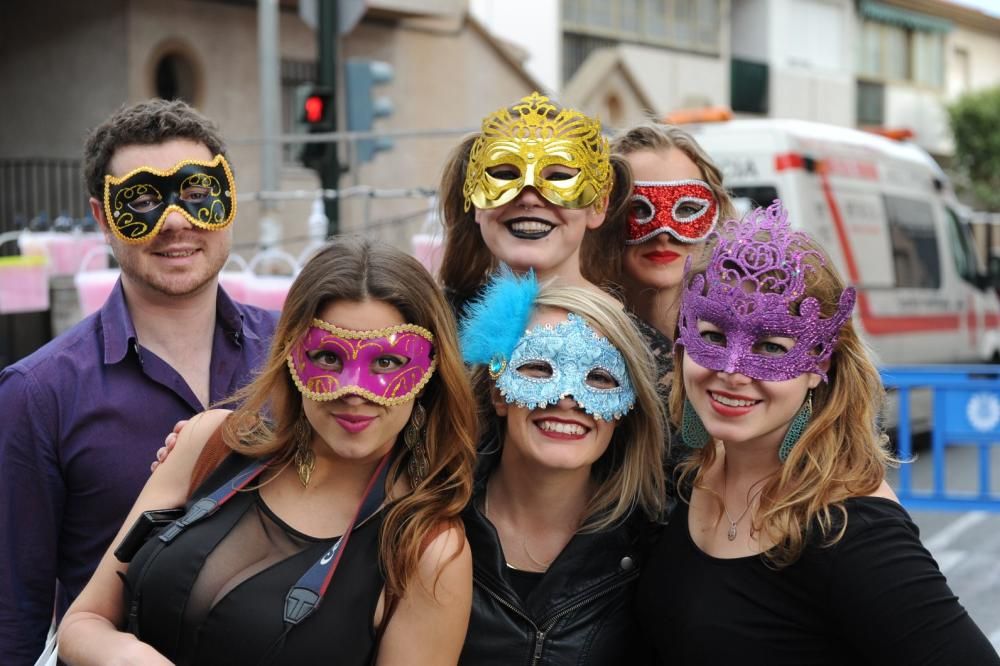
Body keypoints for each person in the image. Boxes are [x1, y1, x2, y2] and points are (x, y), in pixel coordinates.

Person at [59, 238, 478, 665]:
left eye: (387, 363)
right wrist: (127, 656)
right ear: (293, 355)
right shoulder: (211, 444)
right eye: (328, 357)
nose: (353, 390)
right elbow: (83, 621)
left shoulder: (426, 552)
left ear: (430, 371)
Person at [637, 200, 1000, 665]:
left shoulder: (850, 529)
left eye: (770, 345)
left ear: (817, 364)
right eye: (712, 336)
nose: (731, 369)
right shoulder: (689, 477)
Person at [0, 99, 278, 664]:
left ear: (228, 201)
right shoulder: (37, 393)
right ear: (102, 218)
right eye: (143, 201)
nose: (175, 221)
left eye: (197, 192)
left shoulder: (298, 355)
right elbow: (14, 612)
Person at [457, 270, 666, 665]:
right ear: (497, 392)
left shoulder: (655, 550)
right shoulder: (431, 525)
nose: (568, 397)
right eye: (538, 368)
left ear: (624, 411)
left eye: (600, 377)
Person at [437, 91, 633, 313]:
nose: (529, 198)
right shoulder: (432, 321)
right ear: (476, 202)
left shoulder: (638, 340)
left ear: (598, 205)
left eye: (558, 177)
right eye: (505, 175)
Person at [609, 121, 737, 388]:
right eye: (639, 210)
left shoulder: (742, 340)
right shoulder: (581, 339)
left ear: (718, 214)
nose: (663, 233)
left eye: (688, 209)